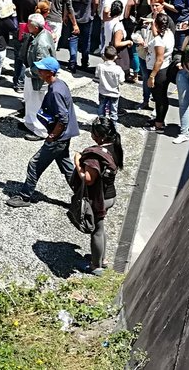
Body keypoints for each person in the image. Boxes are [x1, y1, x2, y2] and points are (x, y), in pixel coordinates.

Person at [6, 57, 79, 208]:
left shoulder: (56, 91)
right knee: (67, 167)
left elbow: (63, 118)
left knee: (34, 164)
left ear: (50, 72)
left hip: (58, 137)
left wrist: (52, 137)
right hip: (65, 136)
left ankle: (25, 196)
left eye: (42, 69)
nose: (39, 71)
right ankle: (83, 194)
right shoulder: (59, 85)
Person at [74, 118, 123, 276]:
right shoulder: (114, 146)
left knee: (96, 231)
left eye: (93, 132)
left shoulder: (95, 155)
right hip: (110, 194)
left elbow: (88, 179)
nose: (90, 134)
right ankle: (101, 259)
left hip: (99, 197)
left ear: (100, 136)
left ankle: (96, 266)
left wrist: (77, 162)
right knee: (100, 228)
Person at [18, 14, 56, 140]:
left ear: (35, 27)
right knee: (29, 100)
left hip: (38, 78)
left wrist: (29, 71)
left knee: (36, 104)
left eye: (29, 24)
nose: (27, 25)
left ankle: (41, 131)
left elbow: (43, 67)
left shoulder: (41, 43)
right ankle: (29, 124)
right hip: (33, 75)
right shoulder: (40, 35)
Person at [147, 14, 177, 131]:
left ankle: (159, 124)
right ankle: (159, 120)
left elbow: (159, 59)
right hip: (165, 68)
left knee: (159, 98)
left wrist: (152, 76)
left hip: (159, 72)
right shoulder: (169, 34)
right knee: (161, 97)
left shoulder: (159, 41)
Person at [67, 0, 97, 70]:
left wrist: (66, 15)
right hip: (87, 16)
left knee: (73, 39)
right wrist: (93, 12)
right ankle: (85, 61)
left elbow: (68, 2)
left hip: (73, 17)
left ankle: (72, 62)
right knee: (86, 40)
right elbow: (96, 1)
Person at [95, 46, 123, 121]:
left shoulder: (100, 66)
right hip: (114, 93)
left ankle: (101, 124)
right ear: (115, 57)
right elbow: (122, 81)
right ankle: (113, 128)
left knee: (101, 108)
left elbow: (97, 76)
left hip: (103, 91)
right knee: (113, 111)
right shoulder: (118, 69)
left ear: (104, 56)